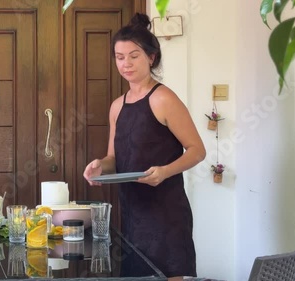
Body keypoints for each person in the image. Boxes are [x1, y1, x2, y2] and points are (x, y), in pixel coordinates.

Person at [83, 13, 206, 281]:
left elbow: (197, 150)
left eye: (133, 55)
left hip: (167, 214)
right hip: (133, 214)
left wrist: (164, 171)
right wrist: (98, 166)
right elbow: (113, 158)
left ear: (151, 57)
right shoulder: (117, 106)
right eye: (119, 56)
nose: (125, 63)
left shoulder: (163, 98)